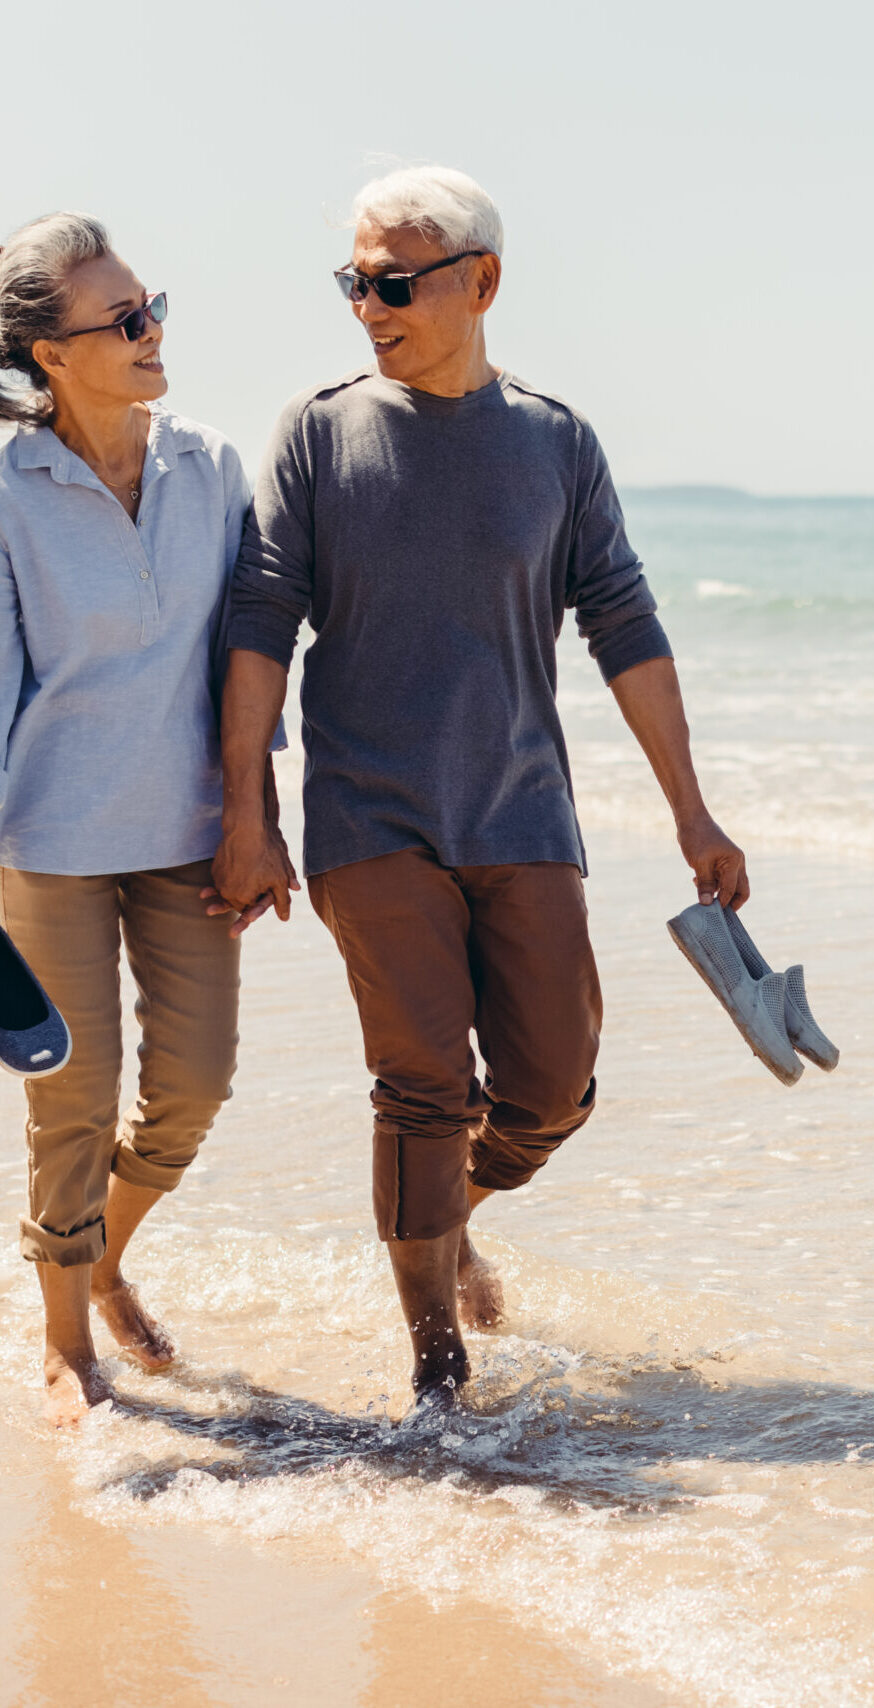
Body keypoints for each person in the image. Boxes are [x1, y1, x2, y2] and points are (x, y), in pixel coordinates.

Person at [213, 166, 748, 1403]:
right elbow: (261, 622)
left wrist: (692, 809)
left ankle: (446, 1215)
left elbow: (624, 621)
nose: (367, 305)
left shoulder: (555, 441)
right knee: (420, 1084)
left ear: (482, 282)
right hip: (367, 813)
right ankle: (436, 1374)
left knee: (554, 1084)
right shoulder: (316, 430)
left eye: (393, 283)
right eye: (354, 281)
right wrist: (248, 812)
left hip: (520, 810)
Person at [0, 214, 284, 1425]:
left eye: (150, 305)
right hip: (49, 840)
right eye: (122, 321)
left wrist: (253, 814)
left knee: (196, 1086)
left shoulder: (210, 465)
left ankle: (100, 1255)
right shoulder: (8, 489)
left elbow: (249, 660)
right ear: (51, 356)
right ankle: (67, 1336)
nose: (151, 331)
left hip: (188, 833)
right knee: (75, 1098)